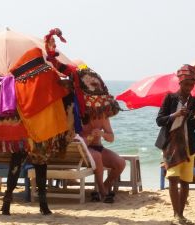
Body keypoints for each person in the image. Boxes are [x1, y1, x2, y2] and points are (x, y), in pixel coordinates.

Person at [44, 28, 125, 203]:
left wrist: (102, 134)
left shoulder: (102, 115)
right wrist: (87, 138)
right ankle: (102, 191)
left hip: (98, 149)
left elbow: (111, 137)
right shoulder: (75, 113)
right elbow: (71, 137)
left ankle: (105, 186)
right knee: (95, 156)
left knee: (120, 163)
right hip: (84, 151)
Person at [155, 64, 195, 225]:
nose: (189, 87)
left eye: (191, 84)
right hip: (171, 146)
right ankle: (176, 215)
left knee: (185, 182)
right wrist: (175, 114)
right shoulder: (170, 98)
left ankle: (181, 215)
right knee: (173, 179)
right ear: (180, 83)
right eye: (186, 84)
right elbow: (159, 120)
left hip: (188, 146)